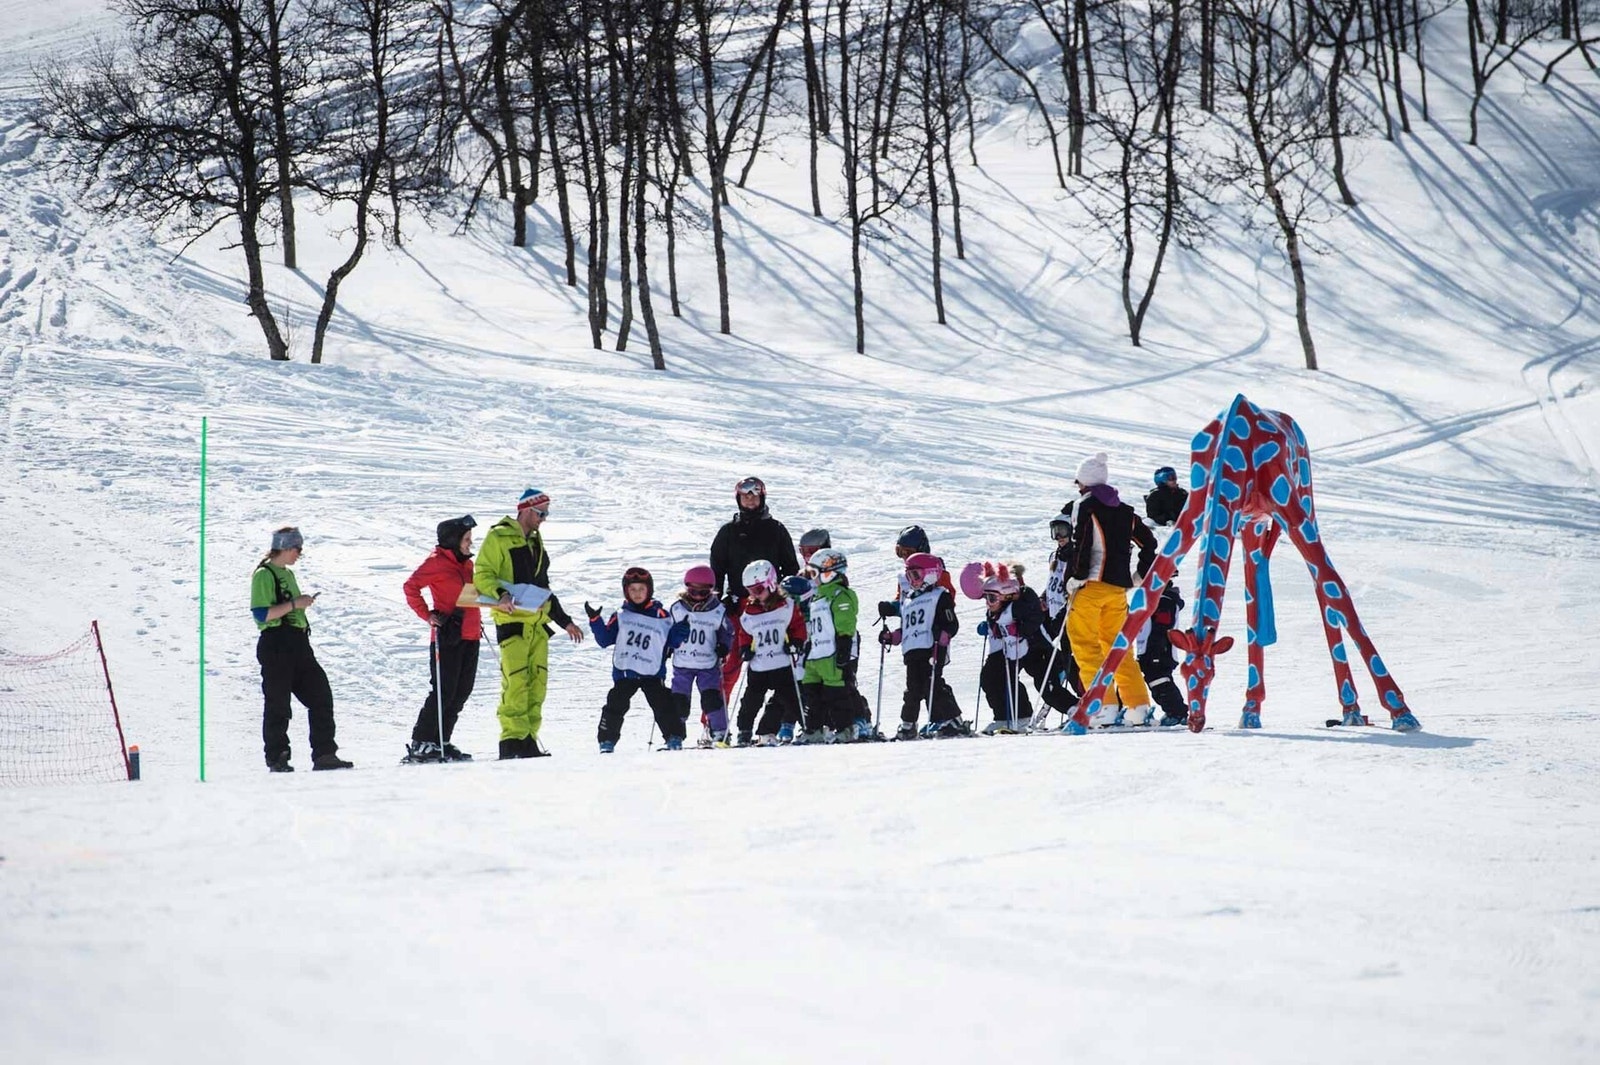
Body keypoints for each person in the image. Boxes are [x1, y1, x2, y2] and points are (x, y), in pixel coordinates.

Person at [474, 488, 584, 759]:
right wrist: (501, 595)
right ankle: (511, 740)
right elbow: (483, 573)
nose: (544, 518)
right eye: (540, 513)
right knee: (516, 682)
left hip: (537, 625)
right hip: (512, 623)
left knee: (537, 683)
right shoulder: (498, 537)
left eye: (546, 513)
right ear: (524, 509)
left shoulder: (536, 543)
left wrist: (565, 621)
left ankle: (528, 740)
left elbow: (543, 589)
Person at [1064, 453, 1159, 728]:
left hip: (1090, 585)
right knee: (1118, 647)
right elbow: (1149, 542)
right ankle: (1138, 706)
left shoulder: (1084, 505)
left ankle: (1102, 705)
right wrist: (1140, 574)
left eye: (1079, 481)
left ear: (1085, 482)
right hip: (1118, 589)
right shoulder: (1125, 510)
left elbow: (1080, 544)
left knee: (1085, 644)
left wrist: (1076, 577)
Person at [251, 527, 351, 772]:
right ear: (284, 547)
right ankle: (277, 757)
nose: (299, 554)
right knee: (278, 703)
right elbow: (262, 614)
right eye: (297, 549)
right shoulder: (265, 574)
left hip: (298, 644)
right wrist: (296, 603)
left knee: (321, 696)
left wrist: (299, 606)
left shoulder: (288, 574)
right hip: (276, 643)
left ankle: (325, 754)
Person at [400, 515, 483, 763]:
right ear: (453, 539)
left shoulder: (466, 564)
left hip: (470, 634)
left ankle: (441, 741)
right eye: (466, 539)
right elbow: (410, 587)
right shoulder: (436, 563)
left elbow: (470, 596)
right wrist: (428, 615)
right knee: (443, 691)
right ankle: (421, 742)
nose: (470, 543)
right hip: (447, 636)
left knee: (461, 692)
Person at [710, 476, 800, 700]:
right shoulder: (728, 532)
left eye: (754, 495)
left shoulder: (776, 529)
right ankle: (714, 724)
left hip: (772, 605)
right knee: (730, 662)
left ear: (762, 497)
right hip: (739, 603)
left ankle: (778, 724)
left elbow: (790, 567)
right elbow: (717, 569)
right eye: (745, 496)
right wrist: (718, 599)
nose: (749, 500)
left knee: (776, 660)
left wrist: (787, 599)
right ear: (738, 498)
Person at [585, 567, 690, 752]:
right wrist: (595, 620)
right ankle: (606, 742)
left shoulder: (662, 615)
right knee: (615, 704)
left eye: (641, 589)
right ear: (626, 591)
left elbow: (671, 642)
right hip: (627, 672)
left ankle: (674, 738)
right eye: (632, 590)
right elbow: (604, 640)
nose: (637, 594)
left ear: (649, 590)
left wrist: (680, 631)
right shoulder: (621, 615)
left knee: (664, 704)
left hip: (652, 672)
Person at [879, 552, 967, 739]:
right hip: (912, 651)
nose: (912, 580)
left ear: (930, 574)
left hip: (931, 647)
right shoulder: (909, 600)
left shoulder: (939, 595)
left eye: (916, 575)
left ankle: (954, 720)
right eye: (909, 576)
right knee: (912, 689)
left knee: (932, 684)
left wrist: (944, 635)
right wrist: (891, 637)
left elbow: (951, 623)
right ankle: (908, 725)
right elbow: (907, 627)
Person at [731, 559, 809, 746]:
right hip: (759, 666)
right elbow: (745, 633)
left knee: (791, 699)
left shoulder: (787, 606)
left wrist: (796, 643)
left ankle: (810, 728)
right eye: (750, 591)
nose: (755, 595)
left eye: (758, 590)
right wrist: (744, 649)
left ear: (771, 584)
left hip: (781, 664)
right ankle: (744, 730)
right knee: (750, 701)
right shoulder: (749, 611)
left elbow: (798, 626)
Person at [669, 565, 736, 747]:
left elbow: (728, 632)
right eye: (693, 591)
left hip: (707, 665)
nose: (698, 596)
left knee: (712, 699)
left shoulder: (718, 610)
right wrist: (667, 645)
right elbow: (666, 629)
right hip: (682, 664)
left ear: (711, 590)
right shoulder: (677, 609)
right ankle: (674, 734)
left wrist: (724, 646)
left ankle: (721, 733)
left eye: (703, 592)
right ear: (686, 588)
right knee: (679, 701)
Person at [792, 560, 859, 744]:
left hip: (831, 653)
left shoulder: (839, 595)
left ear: (829, 573)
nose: (813, 579)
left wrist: (844, 646)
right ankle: (813, 730)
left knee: (836, 694)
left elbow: (845, 622)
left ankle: (845, 729)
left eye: (815, 574)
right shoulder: (817, 597)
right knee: (812, 695)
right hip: (815, 654)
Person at [1137, 578, 1190, 727]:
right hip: (1151, 649)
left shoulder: (1164, 601)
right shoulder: (1154, 599)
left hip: (1159, 650)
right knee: (1157, 680)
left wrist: (1155, 649)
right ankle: (1175, 712)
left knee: (1159, 680)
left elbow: (1161, 626)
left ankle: (1178, 713)